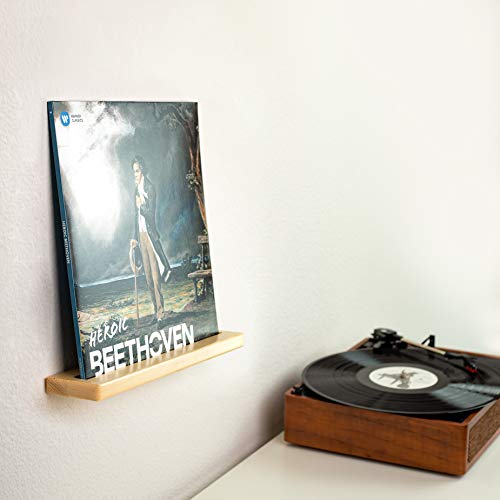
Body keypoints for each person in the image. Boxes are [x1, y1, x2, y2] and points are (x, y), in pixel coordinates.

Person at [129, 156, 171, 326]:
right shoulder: (135, 190)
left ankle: (161, 313)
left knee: (155, 277)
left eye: (137, 171)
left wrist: (141, 205)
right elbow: (135, 217)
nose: (135, 174)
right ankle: (156, 311)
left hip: (150, 237)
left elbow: (150, 216)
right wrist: (134, 237)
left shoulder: (150, 189)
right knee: (147, 278)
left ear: (143, 170)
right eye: (133, 172)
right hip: (141, 237)